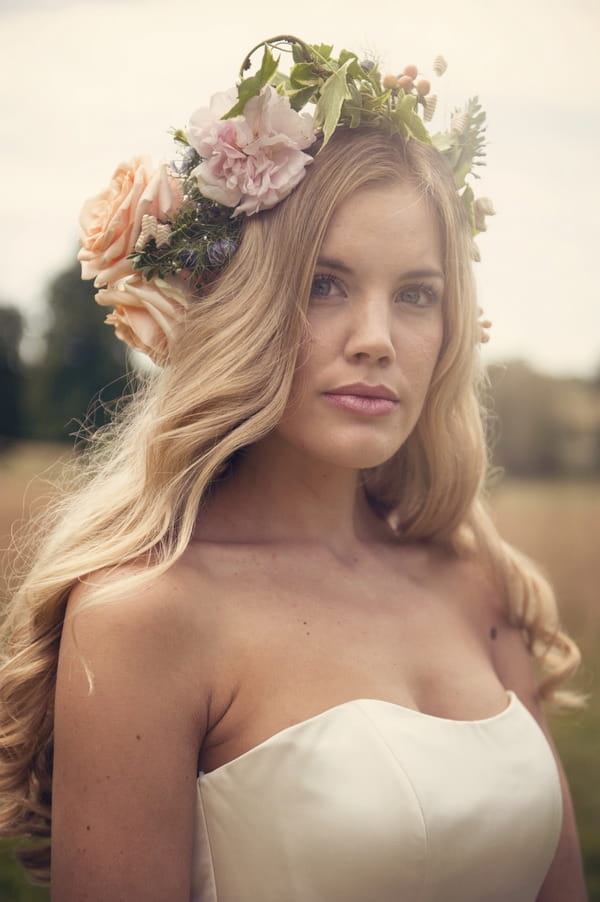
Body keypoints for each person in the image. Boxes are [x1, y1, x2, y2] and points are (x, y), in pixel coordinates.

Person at [0, 36, 588, 902]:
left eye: (416, 294)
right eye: (324, 284)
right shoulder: (144, 617)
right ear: (246, 308)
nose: (378, 339)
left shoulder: (477, 581)